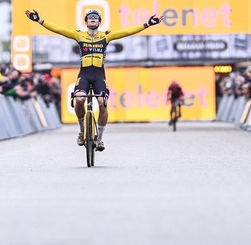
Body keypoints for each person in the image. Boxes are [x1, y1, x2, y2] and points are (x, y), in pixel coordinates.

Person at [25, 8, 163, 151]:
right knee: (79, 100)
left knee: (103, 103)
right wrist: (39, 21)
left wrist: (147, 24)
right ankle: (82, 130)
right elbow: (59, 30)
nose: (92, 19)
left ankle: (100, 139)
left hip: (99, 76)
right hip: (84, 75)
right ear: (86, 21)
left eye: (95, 17)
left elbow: (127, 32)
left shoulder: (106, 36)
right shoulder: (79, 35)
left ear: (99, 22)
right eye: (90, 17)